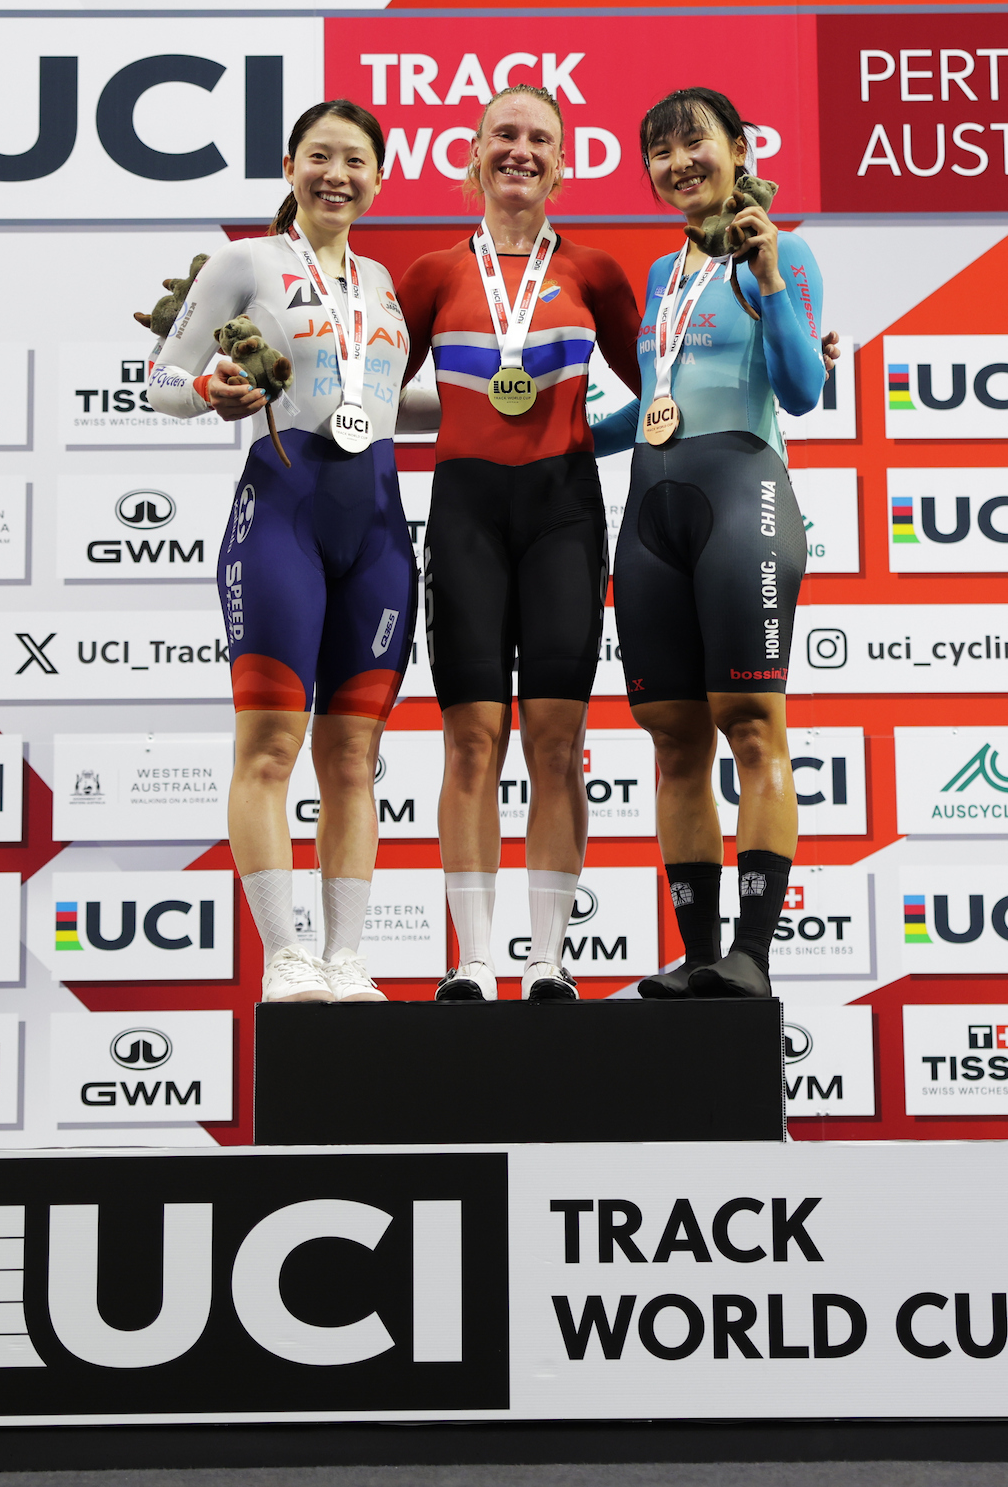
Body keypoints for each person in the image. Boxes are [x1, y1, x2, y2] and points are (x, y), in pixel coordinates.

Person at [145, 99, 413, 1005]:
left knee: (352, 758)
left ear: (380, 177)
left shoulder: (381, 283)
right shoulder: (246, 261)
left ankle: (347, 959)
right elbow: (163, 379)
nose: (338, 175)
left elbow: (385, 406)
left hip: (378, 526)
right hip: (284, 513)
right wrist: (210, 388)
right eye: (320, 157)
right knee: (268, 745)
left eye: (356, 162)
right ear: (291, 165)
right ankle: (286, 954)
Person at [393, 85, 645, 1005]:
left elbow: (661, 381)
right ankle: (473, 961)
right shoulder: (429, 273)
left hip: (563, 514)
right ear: (472, 154)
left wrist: (774, 349)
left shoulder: (597, 272)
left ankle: (546, 962)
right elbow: (368, 384)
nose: (521, 151)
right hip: (463, 514)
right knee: (470, 738)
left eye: (541, 138)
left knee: (555, 736)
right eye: (504, 134)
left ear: (564, 162)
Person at [609, 87, 825, 1001]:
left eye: (694, 142)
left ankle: (752, 958)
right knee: (672, 742)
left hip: (745, 496)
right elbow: (652, 405)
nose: (678, 163)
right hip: (652, 506)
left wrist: (771, 277)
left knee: (750, 725)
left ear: (738, 148)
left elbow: (805, 387)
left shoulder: (787, 250)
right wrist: (547, 435)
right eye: (660, 152)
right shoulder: (661, 277)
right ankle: (698, 955)